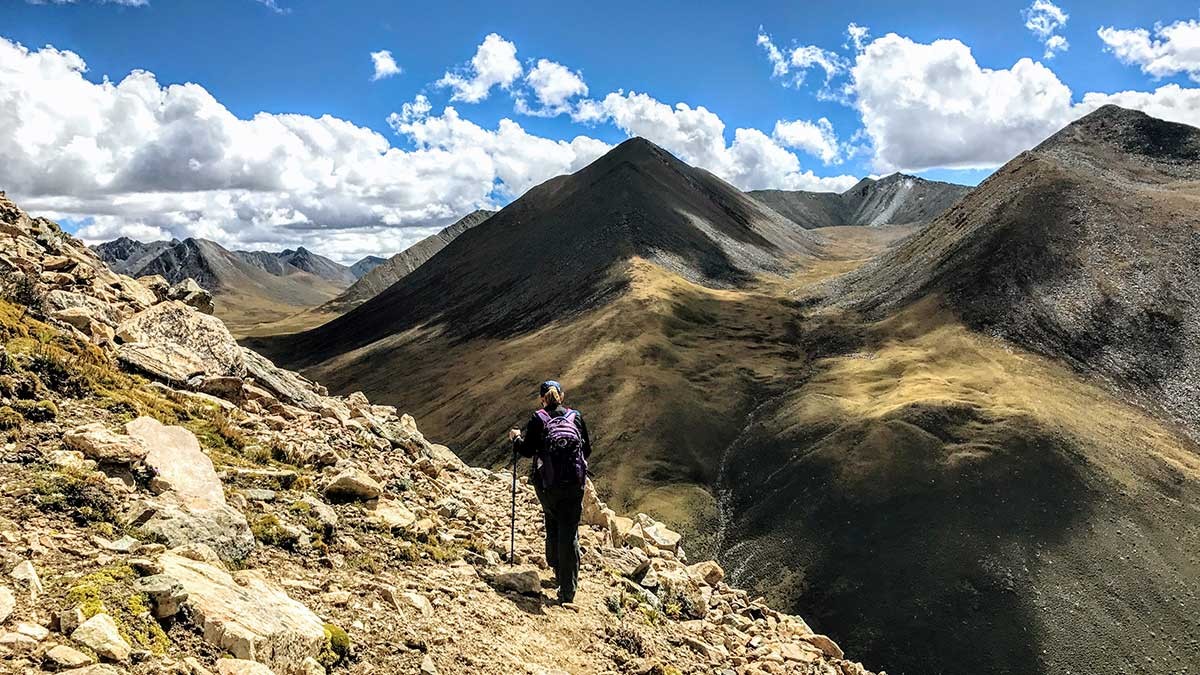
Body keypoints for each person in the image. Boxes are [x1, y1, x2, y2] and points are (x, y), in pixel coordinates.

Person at [509, 380, 592, 604]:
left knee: (552, 522)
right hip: (574, 485)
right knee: (570, 532)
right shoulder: (575, 417)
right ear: (561, 397)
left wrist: (515, 438)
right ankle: (567, 590)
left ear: (542, 399)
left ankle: (556, 569)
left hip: (548, 486)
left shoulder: (539, 419)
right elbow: (587, 450)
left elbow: (526, 450)